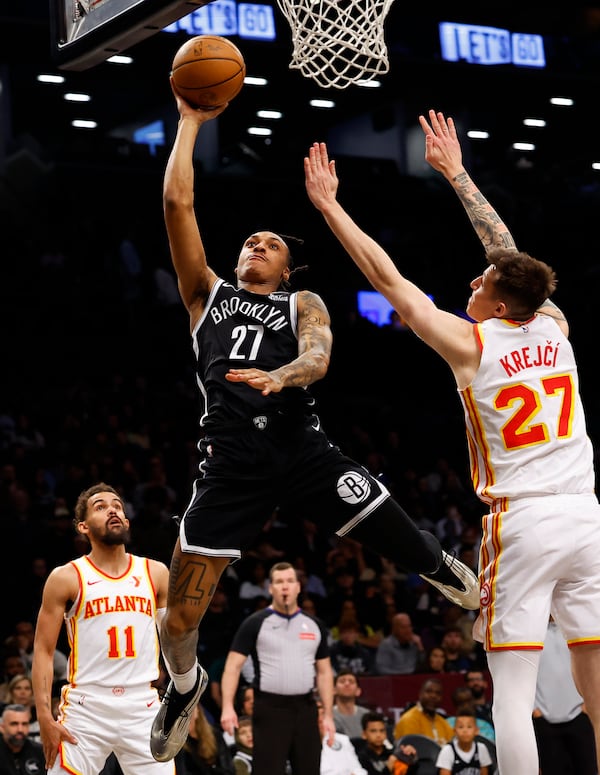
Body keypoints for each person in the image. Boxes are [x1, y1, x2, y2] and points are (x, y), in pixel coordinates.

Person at [149, 77, 479, 764]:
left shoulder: (302, 302)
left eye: (271, 241)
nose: (259, 243)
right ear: (238, 261)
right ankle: (184, 686)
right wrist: (189, 121)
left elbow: (322, 354)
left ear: (287, 264)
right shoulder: (205, 296)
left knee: (415, 548)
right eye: (251, 240)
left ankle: (450, 572)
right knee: (177, 620)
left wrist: (284, 374)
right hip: (230, 463)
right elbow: (178, 200)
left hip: (301, 447)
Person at [304, 111, 600, 775]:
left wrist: (330, 207)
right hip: (586, 515)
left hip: (523, 519)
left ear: (498, 306)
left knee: (515, 694)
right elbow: (512, 261)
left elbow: (389, 282)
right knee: (597, 685)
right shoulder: (554, 326)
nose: (474, 281)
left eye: (482, 283)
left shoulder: (472, 345)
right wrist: (459, 175)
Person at [30, 482, 173, 775]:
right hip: (86, 705)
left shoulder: (155, 572)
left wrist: (184, 694)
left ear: (127, 520)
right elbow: (43, 651)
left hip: (142, 704)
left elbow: (175, 640)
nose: (112, 510)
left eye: (117, 506)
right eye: (101, 507)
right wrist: (44, 716)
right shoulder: (66, 577)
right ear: (83, 527)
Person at [220, 562, 333, 775]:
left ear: (298, 587)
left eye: (290, 581)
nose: (285, 587)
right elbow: (232, 667)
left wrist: (327, 714)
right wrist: (227, 706)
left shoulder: (315, 625)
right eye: (279, 582)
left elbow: (325, 672)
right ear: (270, 588)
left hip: (306, 707)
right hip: (270, 707)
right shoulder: (255, 623)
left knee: (309, 769)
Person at [533, 617, 597, 775]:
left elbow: (590, 664)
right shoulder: (533, 633)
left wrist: (588, 702)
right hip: (544, 718)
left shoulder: (575, 629)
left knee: (588, 769)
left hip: (579, 713)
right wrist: (534, 708)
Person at [175, 702, 235, 775]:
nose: (187, 714)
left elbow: (228, 769)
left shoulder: (215, 734)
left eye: (191, 708)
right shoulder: (176, 744)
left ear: (198, 710)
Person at [393, 678, 454, 746]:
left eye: (438, 693)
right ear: (420, 694)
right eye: (429, 691)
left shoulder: (444, 723)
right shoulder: (409, 719)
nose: (433, 696)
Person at [356, 711, 417, 775]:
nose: (378, 735)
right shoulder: (361, 759)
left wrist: (411, 760)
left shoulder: (393, 752)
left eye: (382, 731)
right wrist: (389, 766)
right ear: (364, 734)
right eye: (373, 731)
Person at [317, 699, 368, 775]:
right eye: (316, 715)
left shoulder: (342, 740)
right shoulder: (298, 744)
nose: (320, 719)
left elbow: (358, 769)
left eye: (322, 714)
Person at [435, 709, 492, 775]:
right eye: (461, 727)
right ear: (454, 731)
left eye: (469, 727)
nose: (465, 731)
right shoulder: (447, 750)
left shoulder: (481, 749)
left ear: (476, 731)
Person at [0, 703, 46, 775]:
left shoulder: (41, 752)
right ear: (2, 727)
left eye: (24, 724)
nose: (20, 730)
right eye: (14, 724)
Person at [332, 670, 371, 739]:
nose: (347, 684)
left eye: (351, 682)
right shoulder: (328, 716)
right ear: (334, 690)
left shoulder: (367, 715)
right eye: (342, 681)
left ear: (358, 691)